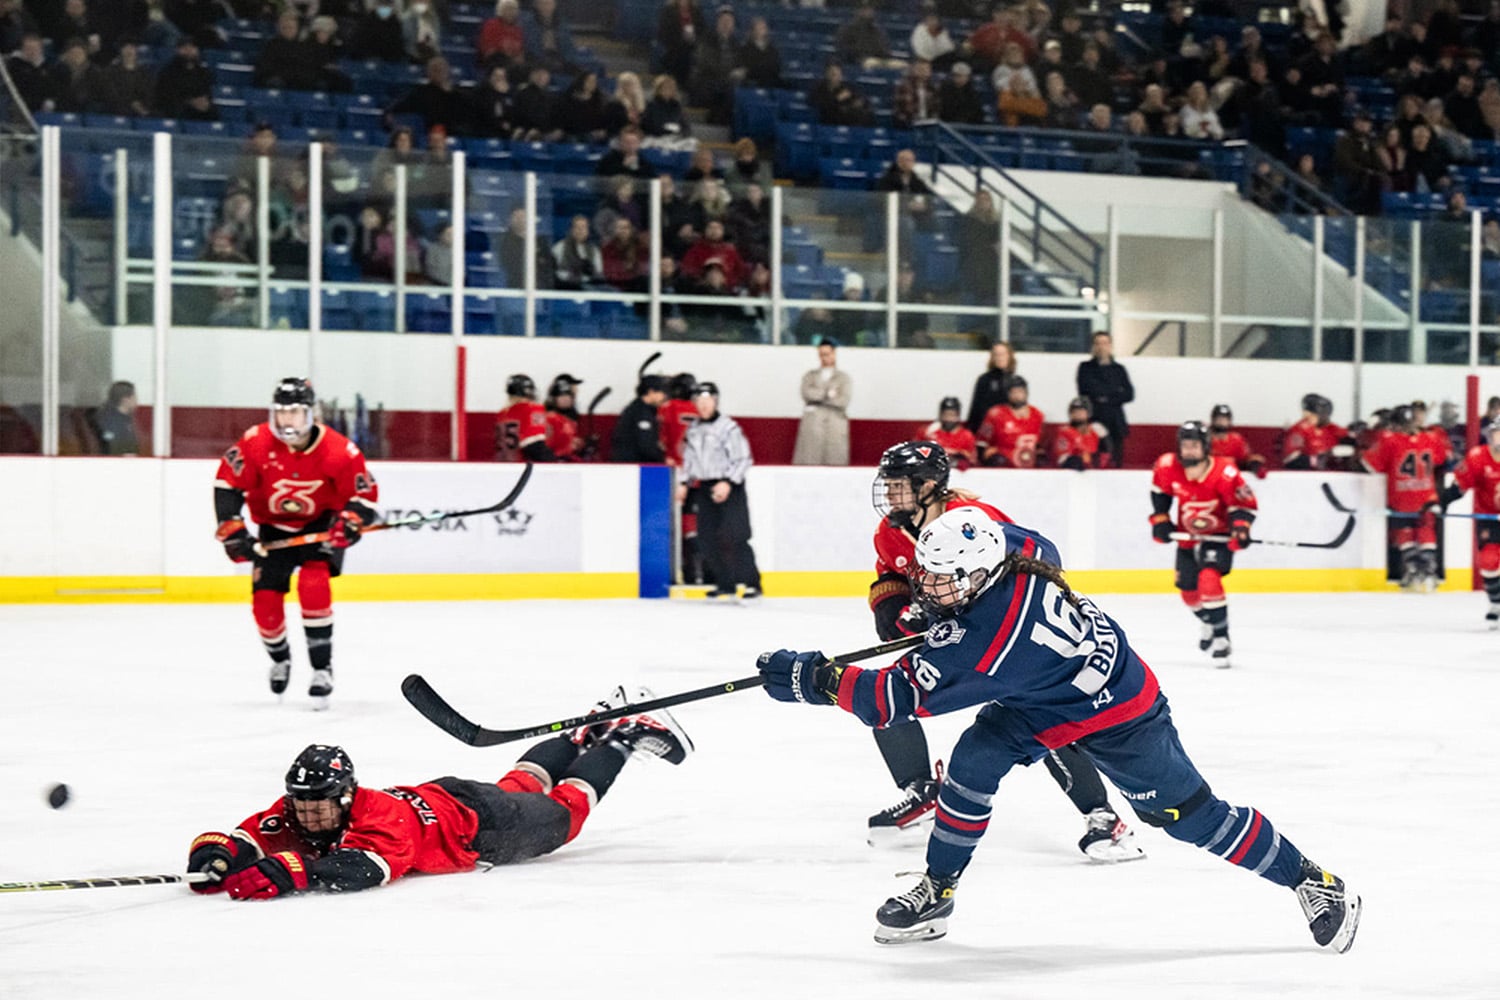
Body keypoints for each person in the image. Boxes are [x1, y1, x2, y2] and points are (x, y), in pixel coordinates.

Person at [753, 510, 1360, 952]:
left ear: (980, 575)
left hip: (1120, 711)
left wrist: (813, 678)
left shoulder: (987, 642)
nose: (929, 589)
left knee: (1191, 818)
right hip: (1045, 694)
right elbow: (1019, 543)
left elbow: (889, 700)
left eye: (943, 580)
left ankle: (1315, 881)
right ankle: (938, 889)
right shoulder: (1015, 549)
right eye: (929, 576)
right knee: (972, 762)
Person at [863, 442, 1141, 859]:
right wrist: (890, 601)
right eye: (887, 484)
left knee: (1037, 714)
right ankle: (922, 791)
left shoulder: (973, 519)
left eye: (898, 484)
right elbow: (892, 572)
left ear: (928, 485)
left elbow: (1036, 561)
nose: (889, 494)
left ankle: (1103, 817)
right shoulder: (889, 532)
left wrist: (982, 616)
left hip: (1008, 637)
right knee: (887, 694)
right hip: (955, 636)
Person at [185, 705, 692, 899]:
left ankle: (623, 737)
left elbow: (367, 869)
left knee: (565, 811)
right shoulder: (295, 809)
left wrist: (299, 871)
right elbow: (250, 836)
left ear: (346, 796)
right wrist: (219, 853)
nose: (308, 816)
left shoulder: (379, 819)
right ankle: (587, 728)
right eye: (301, 805)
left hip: (482, 828)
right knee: (520, 783)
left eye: (319, 806)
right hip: (450, 796)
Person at [213, 378, 379, 705]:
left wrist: (350, 522)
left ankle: (322, 669)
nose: (287, 419)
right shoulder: (255, 442)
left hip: (321, 527)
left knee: (314, 586)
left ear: (310, 413)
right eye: (282, 412)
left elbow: (363, 498)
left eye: (295, 412)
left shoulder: (339, 450)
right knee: (265, 605)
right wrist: (233, 529)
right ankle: (280, 659)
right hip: (273, 530)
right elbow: (227, 485)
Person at [1150, 421, 1257, 667]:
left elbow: (1243, 505)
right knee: (1189, 594)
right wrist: (1161, 520)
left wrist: (1241, 528)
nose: (1189, 450)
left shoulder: (1225, 472)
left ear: (1206, 447)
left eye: (1194, 445)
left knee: (1209, 580)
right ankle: (1209, 623)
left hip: (1217, 537)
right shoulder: (1167, 466)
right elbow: (1160, 495)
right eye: (1185, 445)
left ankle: (1221, 638)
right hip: (1187, 538)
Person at [676, 382, 760, 599]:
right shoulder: (693, 430)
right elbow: (690, 460)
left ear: (715, 401)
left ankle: (751, 582)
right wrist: (684, 483)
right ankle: (725, 582)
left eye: (707, 401)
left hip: (730, 486)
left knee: (736, 535)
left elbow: (743, 458)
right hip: (705, 487)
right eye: (699, 401)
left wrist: (728, 482)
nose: (703, 405)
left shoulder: (728, 428)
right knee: (707, 537)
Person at [1363, 405, 1445, 592]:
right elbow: (1440, 459)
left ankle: (1413, 569)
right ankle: (1428, 569)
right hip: (1427, 495)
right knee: (1426, 529)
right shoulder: (1431, 437)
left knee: (1405, 531)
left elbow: (1370, 465)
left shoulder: (1389, 440)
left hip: (1402, 497)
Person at [1440, 421, 1500, 624]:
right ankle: (1496, 602)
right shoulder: (1478, 457)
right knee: (1488, 561)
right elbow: (1460, 485)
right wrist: (1442, 502)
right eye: (1497, 433)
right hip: (1489, 519)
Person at [1076, 331, 1133, 469]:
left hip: (1115, 421)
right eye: (1098, 343)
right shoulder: (1085, 368)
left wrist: (1105, 397)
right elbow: (1085, 391)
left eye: (1105, 343)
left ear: (1110, 346)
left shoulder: (1119, 369)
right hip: (1094, 420)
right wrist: (1114, 393)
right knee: (1094, 460)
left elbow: (1129, 394)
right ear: (1093, 347)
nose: (1101, 347)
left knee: (1116, 461)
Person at [792, 340, 851, 466]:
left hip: (834, 424)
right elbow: (806, 393)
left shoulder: (843, 377)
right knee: (809, 461)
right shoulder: (810, 376)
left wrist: (818, 396)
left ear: (834, 354)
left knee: (835, 462)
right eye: (821, 354)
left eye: (827, 354)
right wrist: (828, 394)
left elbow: (843, 400)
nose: (824, 357)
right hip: (813, 424)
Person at [976, 376, 1044, 468]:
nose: (1017, 396)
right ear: (1008, 394)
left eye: (1020, 391)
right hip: (1003, 459)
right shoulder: (996, 414)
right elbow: (982, 442)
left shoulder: (1037, 415)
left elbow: (1039, 443)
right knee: (999, 461)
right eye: (1013, 392)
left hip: (1028, 459)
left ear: (1026, 393)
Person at [495, 375, 557, 463]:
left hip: (502, 464)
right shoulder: (532, 409)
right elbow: (534, 446)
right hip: (523, 465)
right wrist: (554, 463)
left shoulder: (502, 414)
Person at [609, 374, 668, 464]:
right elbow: (645, 444)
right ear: (651, 392)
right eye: (662, 392)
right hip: (632, 464)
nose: (664, 396)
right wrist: (663, 459)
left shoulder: (638, 408)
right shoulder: (642, 413)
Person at [1282, 393, 1348, 470]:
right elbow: (1289, 459)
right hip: (1309, 473)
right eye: (1321, 414)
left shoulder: (1331, 428)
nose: (1324, 418)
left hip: (1333, 472)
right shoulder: (1299, 430)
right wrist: (1315, 460)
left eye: (1326, 415)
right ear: (1307, 414)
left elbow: (1347, 437)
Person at [966, 341, 1016, 433]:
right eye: (996, 355)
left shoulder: (1016, 381)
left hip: (1009, 430)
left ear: (1009, 356)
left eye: (1002, 354)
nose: (1000, 358)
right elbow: (976, 409)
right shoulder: (984, 380)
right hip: (988, 430)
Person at [1207, 404, 1266, 477]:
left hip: (1231, 478)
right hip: (1210, 477)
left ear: (1229, 421)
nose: (1221, 421)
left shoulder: (1236, 440)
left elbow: (1245, 459)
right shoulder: (1205, 439)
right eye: (1218, 418)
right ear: (1213, 420)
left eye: (1224, 419)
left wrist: (1255, 464)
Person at [920, 397, 976, 468]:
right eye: (945, 414)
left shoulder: (967, 436)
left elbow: (972, 461)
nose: (949, 419)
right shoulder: (928, 432)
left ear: (958, 416)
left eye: (952, 415)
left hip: (957, 473)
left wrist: (958, 459)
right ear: (940, 414)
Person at [92, 380, 140, 456]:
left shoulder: (126, 418)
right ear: (125, 400)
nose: (137, 400)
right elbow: (114, 448)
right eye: (134, 397)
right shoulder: (110, 421)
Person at [1052, 397, 1101, 471]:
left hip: (1096, 473)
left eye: (1081, 411)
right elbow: (1062, 459)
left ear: (1088, 413)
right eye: (1074, 411)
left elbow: (1104, 456)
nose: (1077, 414)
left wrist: (1104, 438)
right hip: (1072, 473)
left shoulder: (1095, 431)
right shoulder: (1066, 432)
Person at [544, 374, 584, 462]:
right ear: (554, 399)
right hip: (556, 461)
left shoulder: (570, 419)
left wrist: (577, 444)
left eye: (568, 395)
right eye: (561, 396)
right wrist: (568, 447)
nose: (565, 399)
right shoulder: (550, 418)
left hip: (569, 460)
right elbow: (547, 447)